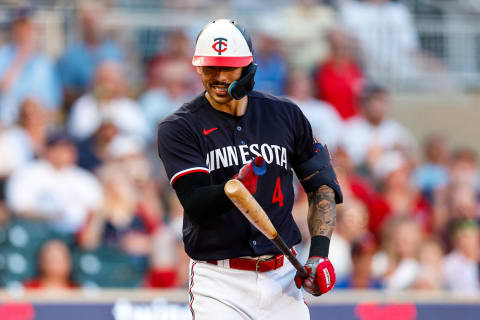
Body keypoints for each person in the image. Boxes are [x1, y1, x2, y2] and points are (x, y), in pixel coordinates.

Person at [156, 19, 343, 319]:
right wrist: (233, 190)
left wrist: (318, 253)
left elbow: (321, 183)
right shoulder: (179, 127)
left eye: (227, 68)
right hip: (220, 281)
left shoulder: (285, 114)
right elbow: (195, 203)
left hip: (283, 274)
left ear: (248, 69)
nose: (217, 77)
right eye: (209, 68)